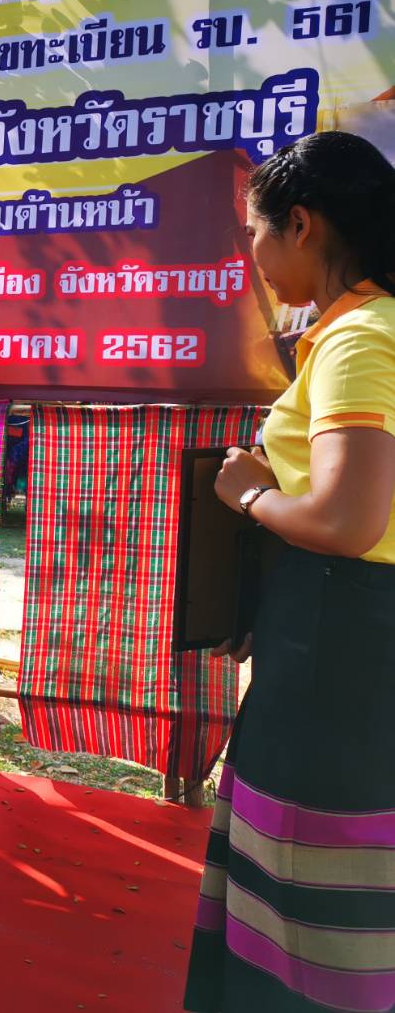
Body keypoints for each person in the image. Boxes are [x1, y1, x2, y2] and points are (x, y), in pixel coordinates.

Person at [184, 131, 395, 1012]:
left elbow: (346, 521)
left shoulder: (358, 338)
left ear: (300, 224)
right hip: (339, 626)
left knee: (310, 860)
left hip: (334, 639)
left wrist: (248, 496)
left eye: (253, 231)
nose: (252, 255)